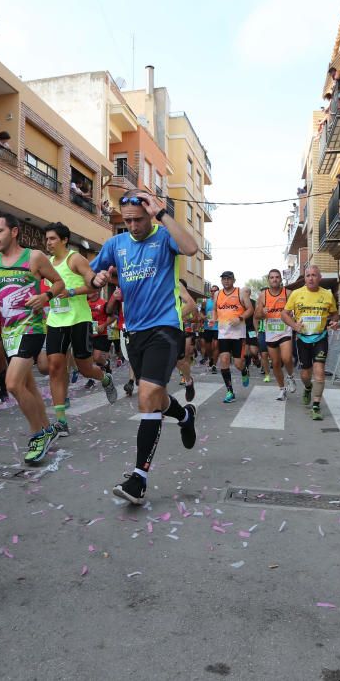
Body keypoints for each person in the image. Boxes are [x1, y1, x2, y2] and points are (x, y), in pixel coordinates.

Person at [90, 189, 199, 505]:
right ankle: (184, 416)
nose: (133, 226)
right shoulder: (116, 244)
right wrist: (95, 279)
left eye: (138, 219)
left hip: (165, 328)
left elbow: (191, 247)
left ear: (149, 215)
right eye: (127, 221)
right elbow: (90, 275)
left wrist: (162, 213)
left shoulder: (164, 237)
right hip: (133, 331)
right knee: (156, 396)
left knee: (146, 395)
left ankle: (139, 478)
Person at [0, 213, 64, 464]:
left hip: (32, 328)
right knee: (29, 386)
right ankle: (47, 428)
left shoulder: (34, 257)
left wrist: (45, 297)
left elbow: (59, 283)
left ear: (14, 232)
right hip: (9, 332)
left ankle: (37, 435)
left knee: (13, 384)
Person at [43, 222, 117, 436]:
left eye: (53, 238)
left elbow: (92, 283)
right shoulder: (46, 263)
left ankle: (105, 378)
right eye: (47, 239)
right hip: (56, 321)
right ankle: (61, 421)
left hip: (78, 320)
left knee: (85, 368)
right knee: (55, 368)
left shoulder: (74, 259)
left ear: (64, 240)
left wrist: (73, 292)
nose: (48, 242)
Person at [281, 265, 339, 420]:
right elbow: (284, 314)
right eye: (308, 275)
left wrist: (334, 322)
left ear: (319, 278)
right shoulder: (296, 294)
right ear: (304, 278)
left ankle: (316, 405)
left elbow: (334, 314)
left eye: (314, 275)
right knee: (306, 374)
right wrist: (294, 326)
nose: (311, 278)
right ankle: (307, 387)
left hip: (320, 337)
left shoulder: (327, 295)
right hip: (303, 338)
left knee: (319, 371)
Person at [255, 269, 297, 401]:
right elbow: (256, 315)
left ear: (281, 279)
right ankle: (282, 389)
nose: (274, 279)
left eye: (277, 277)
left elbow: (296, 310)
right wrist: (262, 311)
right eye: (272, 277)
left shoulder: (288, 293)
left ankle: (290, 376)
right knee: (276, 363)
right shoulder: (263, 295)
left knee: (286, 358)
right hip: (271, 332)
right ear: (268, 280)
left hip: (285, 330)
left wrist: (293, 315)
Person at [212, 271, 253, 403]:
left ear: (234, 280)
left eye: (229, 279)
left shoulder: (241, 293)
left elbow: (250, 309)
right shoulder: (217, 294)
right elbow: (214, 309)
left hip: (238, 334)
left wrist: (240, 318)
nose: (226, 281)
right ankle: (230, 391)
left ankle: (244, 369)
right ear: (221, 281)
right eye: (224, 279)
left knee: (238, 364)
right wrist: (213, 319)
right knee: (223, 360)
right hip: (223, 333)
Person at [202, 285, 219, 373]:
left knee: (215, 345)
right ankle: (210, 358)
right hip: (207, 326)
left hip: (217, 327)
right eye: (211, 291)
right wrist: (203, 317)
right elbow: (200, 312)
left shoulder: (221, 301)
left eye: (215, 291)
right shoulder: (205, 302)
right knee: (208, 348)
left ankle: (214, 365)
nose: (213, 293)